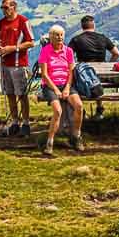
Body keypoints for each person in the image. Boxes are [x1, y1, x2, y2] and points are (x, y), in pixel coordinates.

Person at [37, 24, 84, 157]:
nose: (59, 37)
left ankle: (76, 136)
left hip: (66, 84)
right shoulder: (45, 51)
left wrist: (68, 87)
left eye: (61, 35)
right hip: (50, 85)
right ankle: (50, 142)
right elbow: (44, 75)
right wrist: (56, 89)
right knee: (58, 110)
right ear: (50, 37)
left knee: (79, 106)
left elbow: (71, 72)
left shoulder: (68, 51)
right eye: (56, 35)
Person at [0, 0, 34, 137]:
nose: (3, 10)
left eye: (6, 7)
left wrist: (13, 48)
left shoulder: (23, 21)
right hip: (5, 64)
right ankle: (15, 122)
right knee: (10, 94)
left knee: (22, 95)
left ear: (14, 7)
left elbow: (31, 42)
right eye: (2, 8)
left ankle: (26, 123)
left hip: (19, 64)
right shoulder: (2, 22)